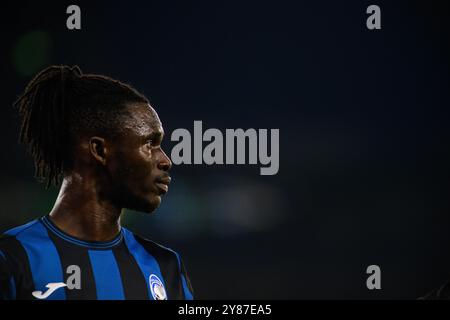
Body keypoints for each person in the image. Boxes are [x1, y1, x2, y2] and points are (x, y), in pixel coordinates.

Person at [0, 65, 194, 300]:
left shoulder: (165, 266)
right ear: (99, 150)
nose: (165, 160)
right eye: (149, 144)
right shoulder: (12, 258)